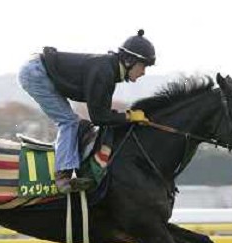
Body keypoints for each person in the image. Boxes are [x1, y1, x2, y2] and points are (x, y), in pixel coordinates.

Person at [18, 29, 155, 194]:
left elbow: (101, 112)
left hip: (38, 67)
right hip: (35, 72)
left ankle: (65, 166)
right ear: (129, 61)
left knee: (71, 121)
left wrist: (126, 116)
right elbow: (99, 117)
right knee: (69, 121)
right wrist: (128, 117)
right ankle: (63, 176)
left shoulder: (109, 70)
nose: (144, 72)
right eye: (143, 66)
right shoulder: (105, 72)